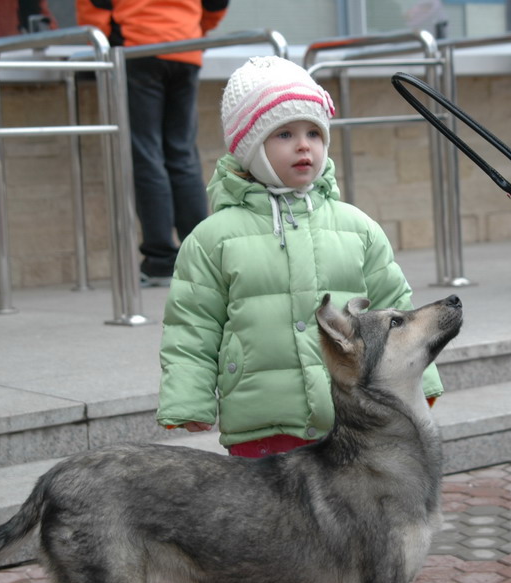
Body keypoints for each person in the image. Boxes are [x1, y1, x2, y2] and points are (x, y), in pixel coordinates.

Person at [155, 56, 444, 457]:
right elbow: (192, 327)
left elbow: (397, 310)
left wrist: (421, 381)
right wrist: (188, 397)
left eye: (314, 132)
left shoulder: (356, 227)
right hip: (264, 420)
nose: (304, 145)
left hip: (350, 416)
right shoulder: (213, 239)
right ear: (251, 148)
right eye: (284, 134)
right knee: (267, 520)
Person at [76, 0, 229, 286]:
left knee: (147, 155)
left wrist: (107, 38)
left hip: (139, 47)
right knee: (182, 154)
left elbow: (93, 7)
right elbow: (216, 3)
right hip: (185, 47)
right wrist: (195, 26)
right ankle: (202, 258)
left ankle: (160, 260)